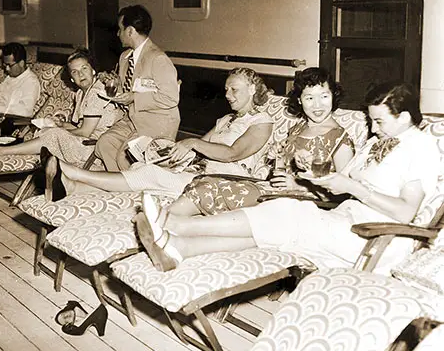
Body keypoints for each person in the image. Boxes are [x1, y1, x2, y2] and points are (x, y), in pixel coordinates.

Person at [136, 81, 441, 275]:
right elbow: (340, 178)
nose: (372, 129)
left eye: (379, 121)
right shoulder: (378, 142)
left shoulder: (421, 148)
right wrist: (312, 172)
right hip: (344, 219)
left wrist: (352, 187)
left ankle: (176, 225)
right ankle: (179, 249)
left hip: (374, 236)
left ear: (403, 118)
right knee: (278, 221)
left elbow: (406, 212)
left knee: (287, 213)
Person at [47, 67, 274, 200]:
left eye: (234, 90)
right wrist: (165, 152)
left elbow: (233, 153)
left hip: (226, 182)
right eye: (226, 89)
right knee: (142, 165)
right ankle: (75, 187)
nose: (228, 94)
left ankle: (74, 173)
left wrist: (192, 143)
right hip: (200, 171)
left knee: (150, 175)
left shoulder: (261, 122)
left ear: (252, 90)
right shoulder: (226, 120)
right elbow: (196, 149)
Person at [168, 67, 355, 216]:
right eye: (309, 98)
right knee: (202, 184)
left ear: (333, 96)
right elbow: (281, 173)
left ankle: (162, 223)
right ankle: (164, 225)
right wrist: (277, 157)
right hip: (274, 191)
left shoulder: (340, 139)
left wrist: (299, 186)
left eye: (324, 96)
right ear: (299, 100)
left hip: (300, 203)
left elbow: (346, 193)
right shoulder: (299, 128)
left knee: (209, 191)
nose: (317, 105)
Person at [0, 49, 123, 167]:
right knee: (48, 131)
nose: (81, 74)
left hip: (95, 149)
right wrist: (61, 124)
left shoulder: (97, 91)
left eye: (84, 68)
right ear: (72, 78)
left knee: (53, 135)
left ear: (93, 70)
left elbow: (85, 132)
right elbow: (78, 126)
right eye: (75, 71)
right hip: (84, 142)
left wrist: (60, 129)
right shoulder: (79, 94)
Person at [94, 4, 181, 172]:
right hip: (133, 119)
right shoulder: (125, 57)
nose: (117, 34)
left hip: (158, 121)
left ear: (130, 31)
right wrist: (113, 83)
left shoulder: (158, 59)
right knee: (105, 143)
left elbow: (170, 98)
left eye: (120, 29)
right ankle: (119, 188)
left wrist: (134, 97)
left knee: (125, 156)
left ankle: (133, 189)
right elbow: (127, 87)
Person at [0, 42, 40, 118]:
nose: (7, 69)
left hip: (9, 120)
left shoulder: (31, 82)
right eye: (5, 65)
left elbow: (26, 111)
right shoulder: (10, 77)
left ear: (21, 63)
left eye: (9, 65)